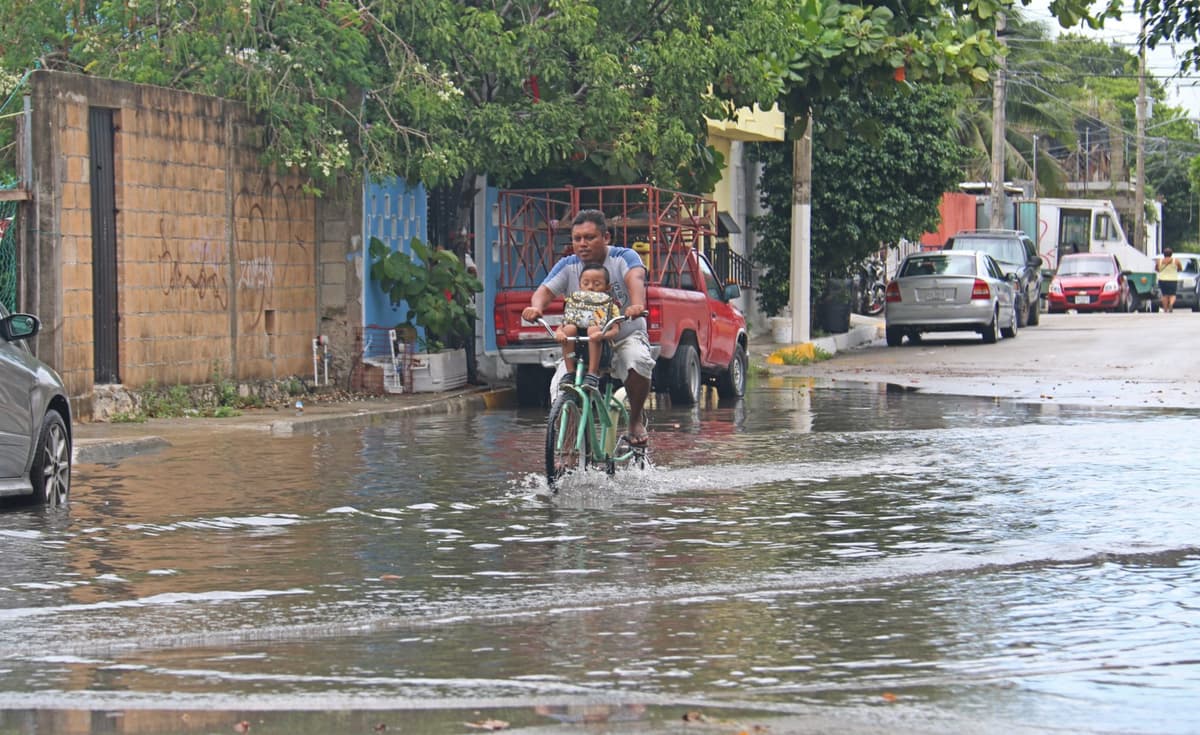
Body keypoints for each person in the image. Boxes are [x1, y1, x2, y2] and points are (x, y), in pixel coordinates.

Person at [521, 209, 654, 447]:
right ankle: (570, 446)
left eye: (589, 237)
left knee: (638, 361)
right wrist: (536, 308)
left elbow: (635, 279)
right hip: (583, 342)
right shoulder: (567, 265)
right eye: (577, 239)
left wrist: (636, 305)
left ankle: (635, 420)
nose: (582, 244)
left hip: (623, 334)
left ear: (606, 237)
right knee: (561, 385)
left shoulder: (624, 257)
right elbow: (544, 291)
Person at [557, 263, 622, 389]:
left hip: (600, 352)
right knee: (569, 328)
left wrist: (603, 335)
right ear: (579, 285)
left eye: (597, 284)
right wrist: (560, 333)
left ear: (607, 287)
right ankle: (570, 372)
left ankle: (592, 373)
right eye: (585, 284)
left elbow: (616, 329)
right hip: (573, 353)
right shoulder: (573, 302)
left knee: (594, 329)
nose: (590, 287)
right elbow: (563, 324)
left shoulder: (611, 306)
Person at [1157, 247, 1180, 313]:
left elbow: (1157, 269)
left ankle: (1165, 309)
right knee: (1172, 294)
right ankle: (1171, 304)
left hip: (1162, 279)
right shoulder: (1176, 260)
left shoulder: (1160, 261)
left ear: (1163, 254)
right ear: (1171, 254)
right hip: (1173, 279)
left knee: (1164, 295)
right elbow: (1180, 268)